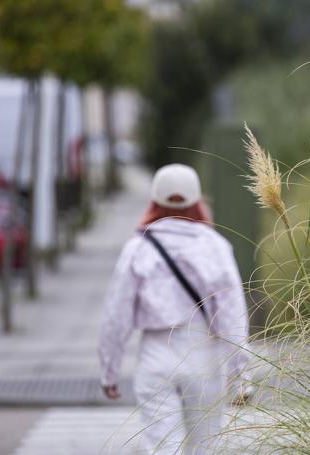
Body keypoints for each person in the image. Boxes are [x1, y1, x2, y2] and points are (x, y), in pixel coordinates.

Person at [98, 164, 253, 454]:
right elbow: (232, 313)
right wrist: (241, 374)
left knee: (160, 447)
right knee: (206, 446)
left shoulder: (138, 247)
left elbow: (115, 315)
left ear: (154, 200)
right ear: (198, 201)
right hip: (205, 355)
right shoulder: (216, 246)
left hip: (156, 355)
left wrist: (110, 370)